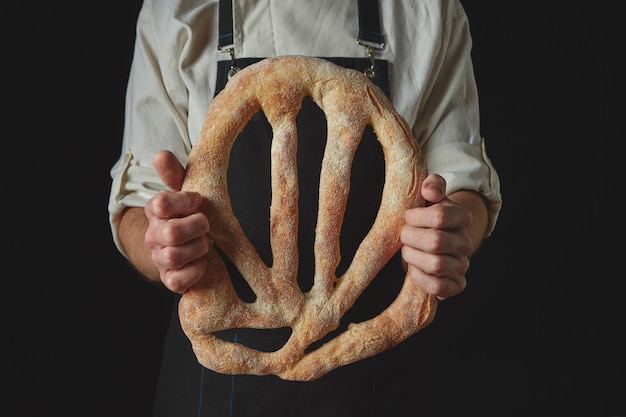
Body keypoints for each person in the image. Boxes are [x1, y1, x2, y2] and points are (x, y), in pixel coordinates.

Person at [109, 0, 502, 415]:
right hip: (216, 390)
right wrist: (160, 243)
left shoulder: (428, 11)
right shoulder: (175, 11)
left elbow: (462, 184)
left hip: (379, 382)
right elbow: (137, 203)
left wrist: (453, 229)